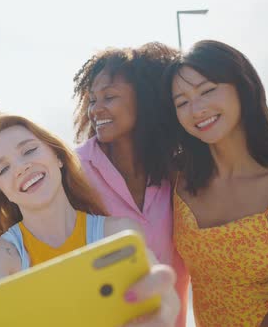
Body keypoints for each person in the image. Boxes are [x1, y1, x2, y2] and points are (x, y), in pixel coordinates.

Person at [0, 113, 179, 325]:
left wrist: (164, 311)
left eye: (29, 150)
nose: (21, 167)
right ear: (2, 192)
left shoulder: (119, 235)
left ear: (58, 156)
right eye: (3, 169)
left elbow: (164, 304)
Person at [164, 40, 268, 326]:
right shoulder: (177, 179)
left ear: (243, 88)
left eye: (208, 90)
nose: (196, 109)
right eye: (182, 102)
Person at [72, 43, 189, 326]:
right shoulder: (75, 170)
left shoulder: (177, 170)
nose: (96, 110)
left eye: (109, 97)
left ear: (145, 100)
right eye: (91, 100)